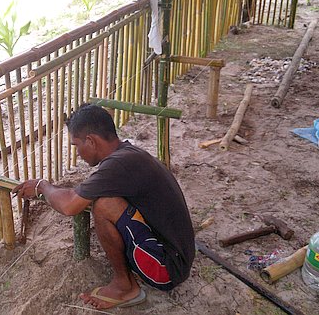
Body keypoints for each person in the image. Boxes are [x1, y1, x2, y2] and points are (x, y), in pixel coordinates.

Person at [12, 104, 195, 310]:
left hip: (166, 270)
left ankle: (125, 287)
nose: (78, 153)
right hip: (179, 257)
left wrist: (41, 186)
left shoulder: (118, 165)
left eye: (76, 145)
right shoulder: (129, 154)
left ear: (90, 141)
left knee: (104, 205)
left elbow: (70, 205)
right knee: (104, 199)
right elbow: (77, 193)